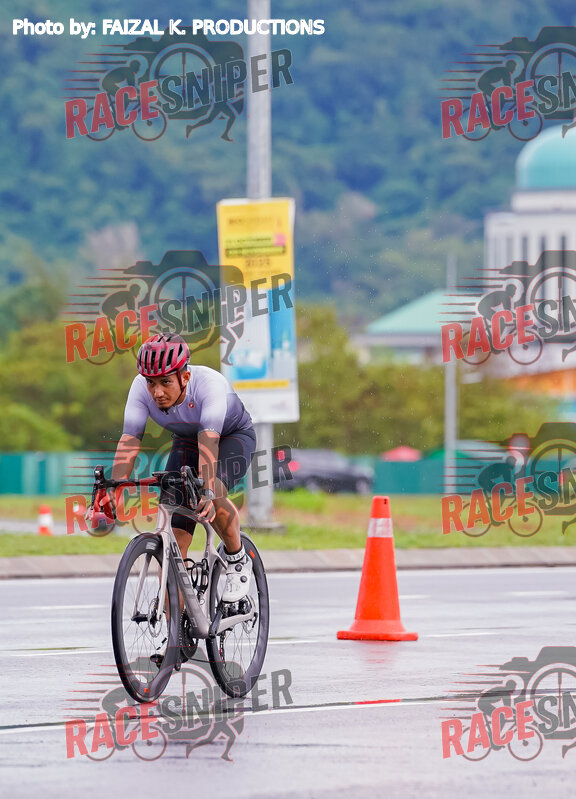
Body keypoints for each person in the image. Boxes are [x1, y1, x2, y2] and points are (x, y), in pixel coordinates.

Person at [109, 333, 256, 603]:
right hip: (187, 441)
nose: (157, 392)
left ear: (185, 377)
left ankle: (237, 559)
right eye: (151, 382)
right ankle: (176, 623)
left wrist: (207, 490)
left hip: (230, 437)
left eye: (165, 382)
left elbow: (209, 442)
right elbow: (130, 439)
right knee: (174, 538)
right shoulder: (139, 387)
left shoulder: (209, 384)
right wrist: (115, 489)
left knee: (214, 490)